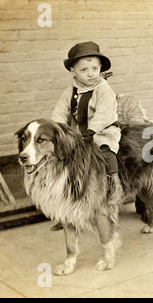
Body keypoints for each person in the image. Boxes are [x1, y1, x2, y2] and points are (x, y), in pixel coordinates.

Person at [51, 41, 123, 207]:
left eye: (95, 69)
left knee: (104, 149)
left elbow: (104, 114)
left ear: (100, 69)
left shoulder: (103, 89)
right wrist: (58, 129)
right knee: (64, 155)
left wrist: (92, 130)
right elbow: (60, 111)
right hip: (79, 133)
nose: (91, 74)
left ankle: (116, 184)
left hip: (102, 130)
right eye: (84, 70)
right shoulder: (71, 90)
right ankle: (70, 197)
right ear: (73, 72)